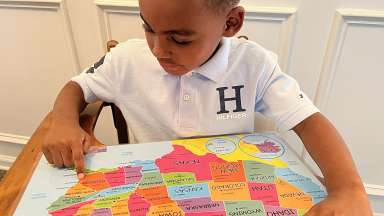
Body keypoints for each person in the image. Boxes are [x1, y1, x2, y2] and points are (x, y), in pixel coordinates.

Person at [42, 0, 372, 215]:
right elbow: (78, 87)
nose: (158, 49)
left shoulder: (254, 64)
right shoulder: (126, 59)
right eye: (148, 27)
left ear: (231, 23)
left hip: (232, 189)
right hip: (153, 189)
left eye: (180, 39)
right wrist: (63, 121)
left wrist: (348, 188)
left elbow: (307, 120)